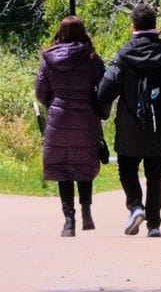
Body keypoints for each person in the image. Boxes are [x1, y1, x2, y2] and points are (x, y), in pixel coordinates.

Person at [97, 3, 161, 238]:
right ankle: (154, 224)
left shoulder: (124, 55)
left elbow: (105, 90)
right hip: (160, 128)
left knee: (127, 170)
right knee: (155, 176)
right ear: (155, 26)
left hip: (129, 128)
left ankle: (136, 206)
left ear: (133, 26)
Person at [35, 15, 107, 237]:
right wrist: (99, 110)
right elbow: (104, 88)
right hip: (85, 116)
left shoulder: (48, 60)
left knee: (63, 167)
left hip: (58, 118)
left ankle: (68, 221)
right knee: (83, 164)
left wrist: (53, 105)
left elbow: (40, 90)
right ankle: (86, 210)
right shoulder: (92, 58)